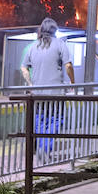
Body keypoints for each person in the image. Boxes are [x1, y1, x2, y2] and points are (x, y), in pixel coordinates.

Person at [22, 18, 74, 163]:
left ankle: (41, 148)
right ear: (55, 30)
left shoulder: (33, 46)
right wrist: (72, 82)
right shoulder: (60, 44)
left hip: (38, 93)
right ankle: (45, 148)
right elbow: (68, 66)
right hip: (56, 93)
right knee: (55, 121)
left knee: (40, 122)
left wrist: (31, 84)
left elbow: (24, 68)